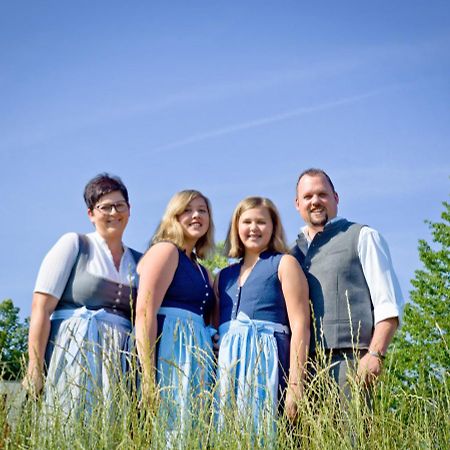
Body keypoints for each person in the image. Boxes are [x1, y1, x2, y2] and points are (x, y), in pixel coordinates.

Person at [24, 173, 142, 415]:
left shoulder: (140, 261)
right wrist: (34, 368)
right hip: (72, 353)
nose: (113, 212)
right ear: (90, 213)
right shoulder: (75, 244)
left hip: (119, 361)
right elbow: (41, 307)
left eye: (120, 205)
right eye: (105, 207)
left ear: (129, 210)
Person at [291, 168, 404, 394]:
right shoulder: (291, 253)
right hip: (300, 370)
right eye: (308, 197)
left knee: (353, 431)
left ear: (336, 198)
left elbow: (388, 305)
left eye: (322, 194)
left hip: (350, 363)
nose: (315, 201)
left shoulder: (362, 236)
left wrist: (375, 355)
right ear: (297, 204)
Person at [215, 197, 310, 432]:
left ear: (273, 226)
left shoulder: (284, 264)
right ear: (237, 227)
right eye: (247, 221)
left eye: (261, 222)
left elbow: (301, 326)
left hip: (268, 363)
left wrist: (296, 386)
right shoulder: (222, 276)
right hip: (228, 370)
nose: (254, 228)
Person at [135, 189, 216, 432]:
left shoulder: (204, 271)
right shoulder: (166, 251)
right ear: (174, 216)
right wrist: (148, 378)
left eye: (202, 211)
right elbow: (144, 312)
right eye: (187, 210)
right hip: (167, 354)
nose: (196, 216)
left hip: (195, 362)